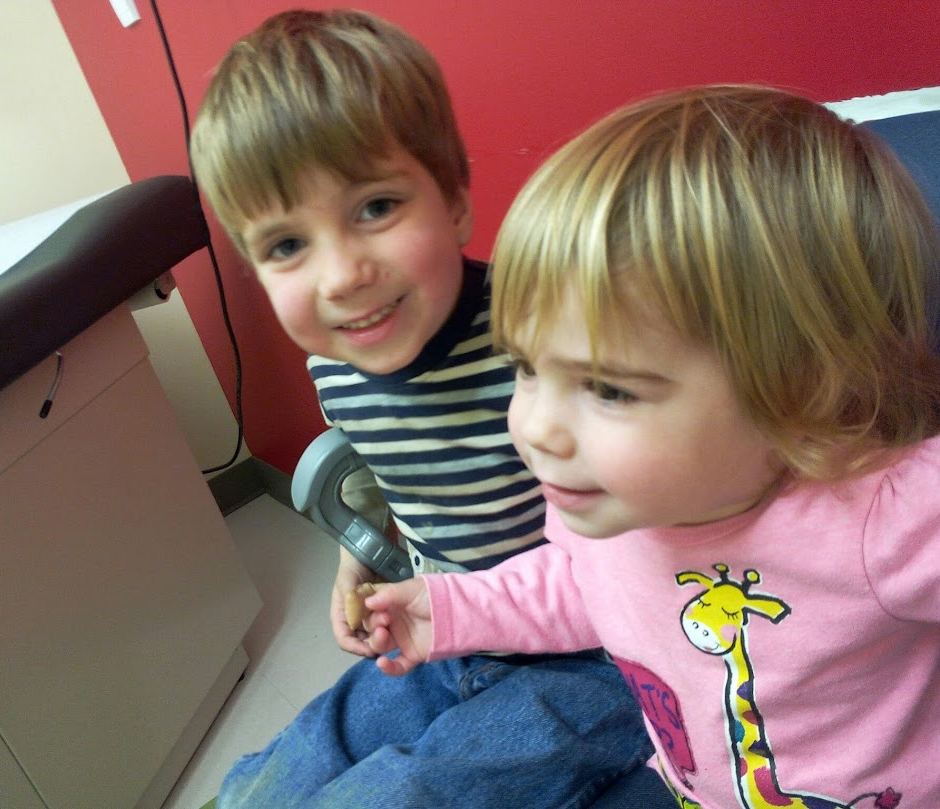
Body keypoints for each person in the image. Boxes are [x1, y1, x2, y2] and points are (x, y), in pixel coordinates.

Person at [363, 84, 940, 807]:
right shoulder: (609, 499)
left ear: (803, 392)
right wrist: (454, 608)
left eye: (608, 389)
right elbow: (582, 583)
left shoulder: (886, 519)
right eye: (526, 367)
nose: (535, 427)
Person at [189, 8, 667, 809]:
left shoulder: (544, 335)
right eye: (286, 245)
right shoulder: (335, 364)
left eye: (374, 207)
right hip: (443, 625)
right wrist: (360, 557)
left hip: (595, 651)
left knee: (406, 791)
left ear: (453, 204)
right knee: (286, 767)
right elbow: (388, 474)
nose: (341, 274)